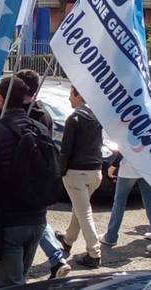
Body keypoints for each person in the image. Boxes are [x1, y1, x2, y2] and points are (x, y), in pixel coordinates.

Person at [0, 77, 50, 286]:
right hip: (37, 218)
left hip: (9, 220)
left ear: (1, 99)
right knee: (19, 278)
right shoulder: (39, 128)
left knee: (11, 284)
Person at [15, 70, 71, 279]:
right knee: (38, 219)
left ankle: (54, 260)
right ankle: (57, 260)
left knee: (29, 221)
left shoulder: (22, 113)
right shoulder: (44, 113)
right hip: (40, 177)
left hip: (23, 177)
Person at [55, 86, 103, 267]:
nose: (69, 100)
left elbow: (65, 151)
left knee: (84, 213)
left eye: (71, 96)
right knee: (80, 208)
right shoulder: (96, 116)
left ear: (79, 95)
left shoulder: (73, 119)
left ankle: (94, 254)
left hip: (77, 173)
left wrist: (60, 172)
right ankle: (68, 240)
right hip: (95, 173)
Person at [100, 153, 151, 254]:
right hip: (148, 167)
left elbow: (124, 145)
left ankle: (111, 237)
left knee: (119, 203)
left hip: (129, 167)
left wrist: (114, 164)